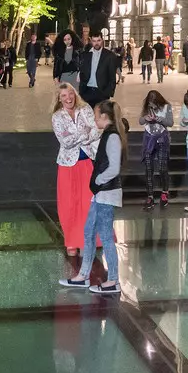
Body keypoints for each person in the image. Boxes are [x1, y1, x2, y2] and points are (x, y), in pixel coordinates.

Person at [61, 100, 127, 295]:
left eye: (96, 115)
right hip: (100, 193)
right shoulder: (107, 134)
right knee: (88, 231)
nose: (94, 119)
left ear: (104, 117)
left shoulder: (113, 137)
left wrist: (98, 180)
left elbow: (114, 168)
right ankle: (83, 275)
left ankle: (113, 280)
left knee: (105, 236)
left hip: (107, 191)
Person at [50, 81, 103, 285]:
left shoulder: (86, 109)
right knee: (69, 205)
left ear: (75, 94)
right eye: (64, 96)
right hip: (67, 165)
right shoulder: (57, 117)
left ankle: (86, 242)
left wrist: (79, 136)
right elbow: (65, 142)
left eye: (70, 94)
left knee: (88, 204)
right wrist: (84, 134)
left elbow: (96, 132)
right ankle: (71, 241)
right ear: (59, 99)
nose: (68, 98)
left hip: (87, 162)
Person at [139, 89, 173, 209]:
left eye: (154, 101)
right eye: (150, 101)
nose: (152, 103)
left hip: (162, 139)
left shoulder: (166, 107)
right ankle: (150, 196)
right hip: (149, 139)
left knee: (163, 167)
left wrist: (160, 119)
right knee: (149, 169)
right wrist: (145, 118)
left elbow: (171, 122)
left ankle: (164, 193)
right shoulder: (146, 108)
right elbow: (140, 121)